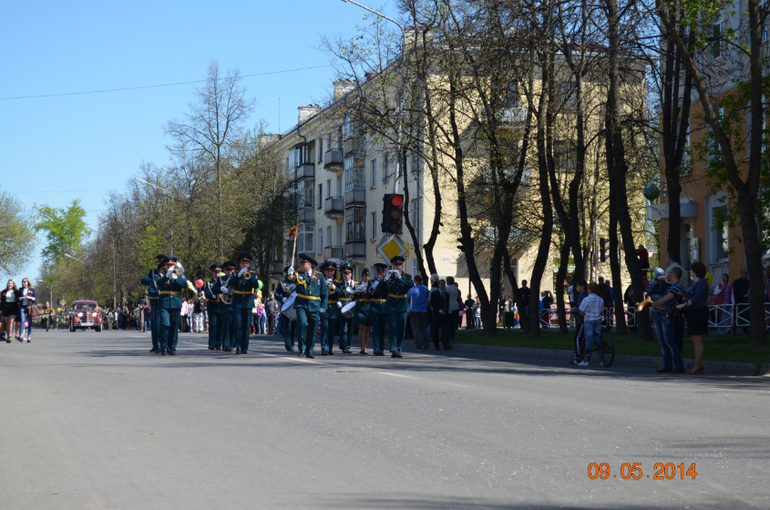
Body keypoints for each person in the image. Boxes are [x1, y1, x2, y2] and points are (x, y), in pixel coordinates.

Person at [286, 254, 327, 359]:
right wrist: (289, 274)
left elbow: (324, 292)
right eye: (300, 263)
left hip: (315, 305)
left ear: (309, 265)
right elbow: (290, 280)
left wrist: (323, 306)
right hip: (301, 304)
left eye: (303, 263)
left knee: (313, 329)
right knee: (302, 324)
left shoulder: (319, 276)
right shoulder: (298, 275)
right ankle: (302, 348)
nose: (301, 265)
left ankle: (309, 351)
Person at [647, 268, 684, 373]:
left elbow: (664, 299)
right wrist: (656, 306)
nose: (666, 275)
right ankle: (667, 365)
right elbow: (659, 301)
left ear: (673, 274)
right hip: (659, 315)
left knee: (669, 341)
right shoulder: (668, 286)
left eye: (668, 273)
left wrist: (653, 304)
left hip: (667, 316)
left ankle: (679, 365)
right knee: (662, 342)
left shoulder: (677, 286)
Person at [675, 262, 710, 374]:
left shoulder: (702, 282)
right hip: (692, 312)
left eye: (691, 270)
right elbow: (691, 294)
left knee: (697, 339)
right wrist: (683, 294)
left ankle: (698, 364)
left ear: (695, 271)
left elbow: (697, 298)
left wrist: (683, 305)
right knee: (694, 339)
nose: (690, 271)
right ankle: (698, 364)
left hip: (698, 312)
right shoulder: (695, 282)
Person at [229, 253, 264, 355]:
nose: (244, 265)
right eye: (243, 263)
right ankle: (238, 345)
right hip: (237, 301)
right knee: (238, 323)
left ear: (249, 265)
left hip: (248, 302)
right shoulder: (235, 274)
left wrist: (250, 277)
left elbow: (256, 285)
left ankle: (244, 347)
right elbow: (230, 283)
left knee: (246, 325)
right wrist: (239, 275)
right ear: (240, 264)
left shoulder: (252, 274)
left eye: (246, 263)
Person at [156, 256, 189, 355]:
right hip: (164, 303)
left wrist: (177, 278)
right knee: (165, 324)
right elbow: (158, 283)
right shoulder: (161, 275)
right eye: (168, 265)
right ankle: (164, 346)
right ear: (165, 266)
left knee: (174, 326)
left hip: (175, 303)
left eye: (171, 265)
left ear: (174, 265)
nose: (170, 266)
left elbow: (185, 284)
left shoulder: (179, 274)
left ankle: (172, 348)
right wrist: (166, 275)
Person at [385, 255, 414, 358]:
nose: (398, 266)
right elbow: (382, 288)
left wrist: (401, 278)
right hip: (392, 305)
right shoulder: (389, 276)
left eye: (400, 264)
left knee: (401, 328)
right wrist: (385, 279)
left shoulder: (406, 276)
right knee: (393, 327)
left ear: (402, 265)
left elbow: (411, 284)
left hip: (402, 305)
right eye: (396, 264)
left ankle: (398, 349)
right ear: (393, 265)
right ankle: (393, 349)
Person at [577, 283, 604, 366]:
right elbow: (601, 311)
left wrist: (586, 314)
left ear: (589, 290)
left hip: (588, 320)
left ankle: (586, 359)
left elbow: (581, 312)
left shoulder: (586, 299)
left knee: (588, 338)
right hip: (597, 320)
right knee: (598, 338)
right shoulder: (601, 299)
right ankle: (601, 359)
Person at [366, 262, 389, 356]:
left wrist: (382, 282)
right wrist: (373, 286)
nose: (379, 273)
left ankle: (381, 348)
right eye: (378, 271)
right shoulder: (371, 282)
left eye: (381, 271)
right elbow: (368, 294)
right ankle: (376, 348)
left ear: (384, 272)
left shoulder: (386, 282)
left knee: (382, 329)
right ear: (375, 271)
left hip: (383, 306)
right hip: (374, 306)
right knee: (375, 329)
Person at [214, 261, 238, 352]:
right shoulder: (221, 279)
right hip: (224, 305)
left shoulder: (237, 278)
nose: (229, 271)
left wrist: (232, 291)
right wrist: (221, 289)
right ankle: (226, 345)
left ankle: (231, 344)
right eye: (228, 269)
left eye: (231, 269)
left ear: (234, 270)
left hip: (234, 304)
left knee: (233, 325)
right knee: (225, 325)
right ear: (225, 270)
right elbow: (214, 289)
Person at [320, 261, 340, 355]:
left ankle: (330, 348)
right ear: (324, 272)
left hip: (333, 309)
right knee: (325, 328)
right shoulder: (321, 281)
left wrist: (335, 287)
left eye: (332, 271)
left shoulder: (336, 282)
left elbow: (342, 293)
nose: (330, 273)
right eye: (328, 271)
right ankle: (324, 348)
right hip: (324, 308)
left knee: (331, 329)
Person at [275, 267, 296, 352]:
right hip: (285, 307)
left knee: (293, 326)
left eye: (292, 272)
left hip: (295, 307)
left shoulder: (297, 284)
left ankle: (292, 344)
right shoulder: (282, 284)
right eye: (289, 272)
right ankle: (288, 343)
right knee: (287, 326)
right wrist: (281, 298)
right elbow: (276, 294)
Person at [337, 262, 357, 354]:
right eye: (344, 273)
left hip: (352, 307)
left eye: (348, 273)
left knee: (350, 328)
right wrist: (338, 302)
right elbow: (336, 295)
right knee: (343, 327)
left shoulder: (355, 285)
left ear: (351, 274)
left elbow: (357, 296)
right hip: (342, 307)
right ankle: (344, 345)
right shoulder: (339, 284)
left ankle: (348, 345)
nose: (346, 275)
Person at [408, 274, 430, 351]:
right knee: (424, 328)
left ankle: (419, 346)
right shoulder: (425, 288)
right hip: (423, 310)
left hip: (414, 310)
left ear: (416, 281)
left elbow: (407, 298)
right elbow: (427, 298)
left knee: (416, 329)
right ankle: (426, 346)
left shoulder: (412, 289)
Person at [203, 263, 223, 350]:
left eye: (218, 272)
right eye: (215, 272)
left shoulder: (224, 282)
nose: (217, 274)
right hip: (212, 305)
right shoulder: (209, 283)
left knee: (220, 325)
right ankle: (212, 343)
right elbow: (207, 294)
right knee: (213, 325)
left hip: (221, 305)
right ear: (212, 272)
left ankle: (218, 343)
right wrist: (214, 296)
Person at [570, 280, 588, 365]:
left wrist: (574, 309)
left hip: (581, 320)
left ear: (582, 287)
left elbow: (581, 309)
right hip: (588, 319)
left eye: (577, 286)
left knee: (577, 338)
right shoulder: (587, 295)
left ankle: (578, 356)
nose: (576, 288)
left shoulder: (581, 296)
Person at [430, 278, 451, 350]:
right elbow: (433, 304)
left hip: (444, 314)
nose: (443, 285)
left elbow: (447, 304)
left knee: (445, 330)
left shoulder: (446, 294)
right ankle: (436, 345)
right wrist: (439, 310)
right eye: (441, 284)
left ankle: (446, 344)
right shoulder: (434, 293)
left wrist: (446, 311)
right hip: (436, 314)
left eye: (444, 284)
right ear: (438, 285)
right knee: (436, 330)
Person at [355, 268, 372, 354]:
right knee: (362, 327)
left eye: (368, 276)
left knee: (367, 328)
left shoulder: (371, 285)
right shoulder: (357, 285)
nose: (366, 278)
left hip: (368, 307)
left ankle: (365, 346)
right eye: (365, 276)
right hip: (360, 308)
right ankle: (362, 347)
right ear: (362, 276)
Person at [18, 278, 36, 342]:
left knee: (30, 322)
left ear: (28, 282)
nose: (23, 283)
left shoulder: (32, 289)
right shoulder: (20, 289)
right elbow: (17, 298)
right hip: (22, 306)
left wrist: (29, 297)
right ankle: (21, 335)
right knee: (22, 320)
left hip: (29, 307)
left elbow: (35, 298)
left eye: (25, 281)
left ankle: (29, 336)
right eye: (22, 281)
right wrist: (22, 298)